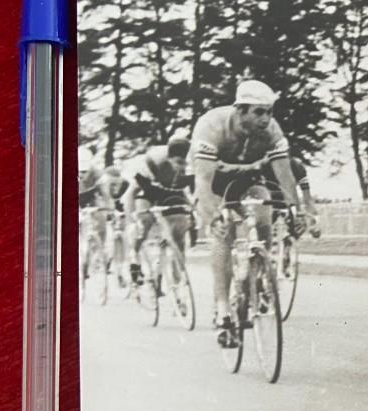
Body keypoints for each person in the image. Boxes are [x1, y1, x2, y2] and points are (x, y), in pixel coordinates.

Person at [191, 80, 306, 349]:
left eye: (269, 112)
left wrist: (295, 211)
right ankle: (221, 308)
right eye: (258, 112)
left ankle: (256, 274)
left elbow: (285, 177)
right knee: (223, 233)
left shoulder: (272, 130)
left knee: (264, 216)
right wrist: (212, 216)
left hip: (248, 177)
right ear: (240, 110)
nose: (266, 119)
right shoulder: (212, 125)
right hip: (215, 179)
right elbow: (203, 185)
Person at [122, 133, 195, 284]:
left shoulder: (191, 167)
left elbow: (193, 195)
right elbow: (130, 194)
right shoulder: (151, 162)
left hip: (172, 190)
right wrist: (132, 221)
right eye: (179, 163)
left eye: (186, 164)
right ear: (168, 158)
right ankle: (133, 256)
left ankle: (178, 279)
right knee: (145, 222)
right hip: (149, 188)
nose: (183, 168)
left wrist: (194, 210)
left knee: (180, 232)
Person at [262, 154, 322, 239]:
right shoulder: (266, 165)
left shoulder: (298, 167)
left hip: (287, 198)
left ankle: (291, 238)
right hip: (270, 195)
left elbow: (307, 197)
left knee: (296, 224)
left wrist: (314, 221)